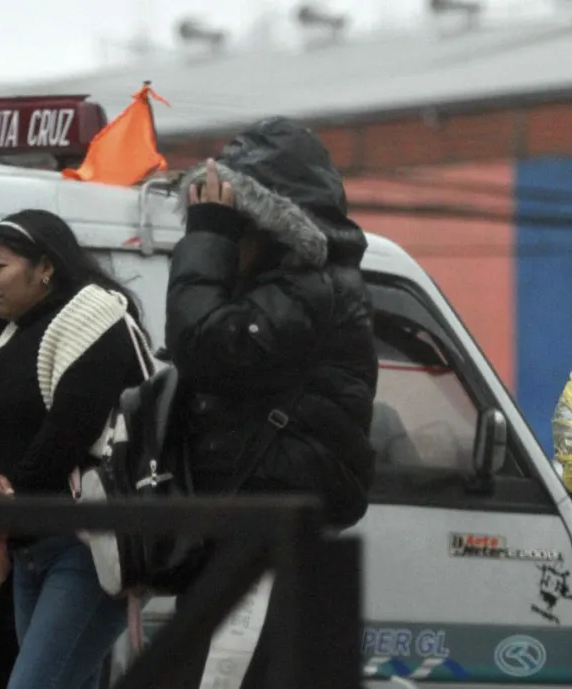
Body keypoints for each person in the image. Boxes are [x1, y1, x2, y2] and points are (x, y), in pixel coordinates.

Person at [164, 118, 378, 688]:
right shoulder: (276, 289)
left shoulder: (312, 289)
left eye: (238, 226)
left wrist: (205, 233)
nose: (228, 241)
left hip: (270, 540)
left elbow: (201, 346)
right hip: (245, 535)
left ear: (273, 225)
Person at [0, 209, 150, 689]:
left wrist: (8, 497)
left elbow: (68, 433)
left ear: (45, 266)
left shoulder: (95, 318)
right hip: (29, 552)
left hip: (85, 546)